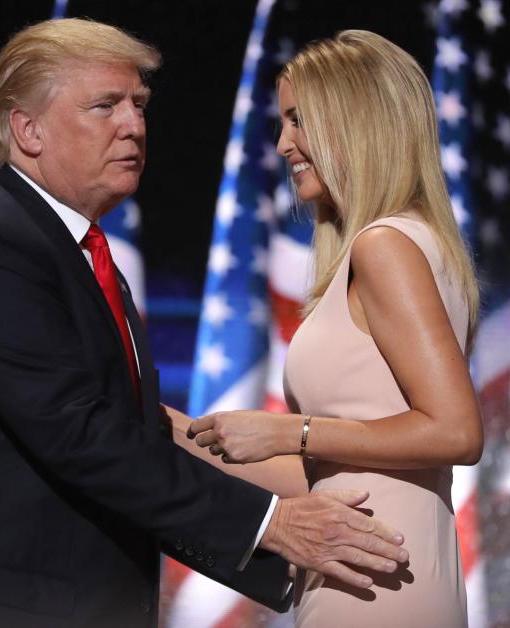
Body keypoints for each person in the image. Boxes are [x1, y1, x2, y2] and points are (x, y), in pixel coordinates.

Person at [0, 19, 410, 628]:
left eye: (138, 104)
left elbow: (127, 434)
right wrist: (271, 525)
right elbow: (82, 437)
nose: (133, 125)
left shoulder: (81, 257)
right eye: (105, 106)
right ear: (28, 130)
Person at [178, 30, 484, 627]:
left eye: (299, 120)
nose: (284, 142)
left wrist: (292, 429)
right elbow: (323, 472)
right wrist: (178, 432)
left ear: (356, 121)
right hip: (368, 570)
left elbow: (455, 431)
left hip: (379, 583)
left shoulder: (386, 247)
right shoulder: (406, 243)